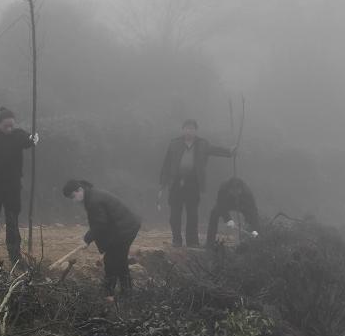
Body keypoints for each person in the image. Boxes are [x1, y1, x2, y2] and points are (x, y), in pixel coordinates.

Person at [0, 107, 38, 265]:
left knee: (12, 222)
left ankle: (15, 256)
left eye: (11, 125)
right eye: (6, 126)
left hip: (12, 187)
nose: (9, 129)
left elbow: (27, 141)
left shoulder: (18, 135)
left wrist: (33, 139)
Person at [158, 119, 234, 247]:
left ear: (196, 130)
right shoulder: (174, 143)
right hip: (176, 182)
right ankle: (177, 240)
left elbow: (215, 150)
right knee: (175, 215)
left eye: (192, 128)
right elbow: (167, 164)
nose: (189, 130)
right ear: (183, 130)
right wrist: (162, 183)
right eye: (187, 128)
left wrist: (229, 151)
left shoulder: (202, 144)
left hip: (193, 183)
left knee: (192, 214)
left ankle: (192, 241)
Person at [63, 179, 141, 297]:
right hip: (122, 227)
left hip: (125, 228)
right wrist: (97, 244)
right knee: (119, 260)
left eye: (73, 196)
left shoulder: (93, 201)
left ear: (80, 190)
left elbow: (100, 224)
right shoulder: (91, 196)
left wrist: (87, 239)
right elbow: (102, 224)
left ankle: (108, 293)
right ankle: (126, 292)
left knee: (111, 260)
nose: (74, 201)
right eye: (71, 198)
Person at [205, 176, 262, 248]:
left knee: (250, 219)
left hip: (242, 203)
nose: (235, 194)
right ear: (229, 189)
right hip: (227, 203)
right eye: (233, 191)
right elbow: (220, 205)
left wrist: (255, 229)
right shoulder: (223, 189)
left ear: (240, 189)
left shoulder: (247, 193)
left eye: (237, 191)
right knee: (214, 213)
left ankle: (251, 243)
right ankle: (210, 244)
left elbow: (253, 212)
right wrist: (228, 219)